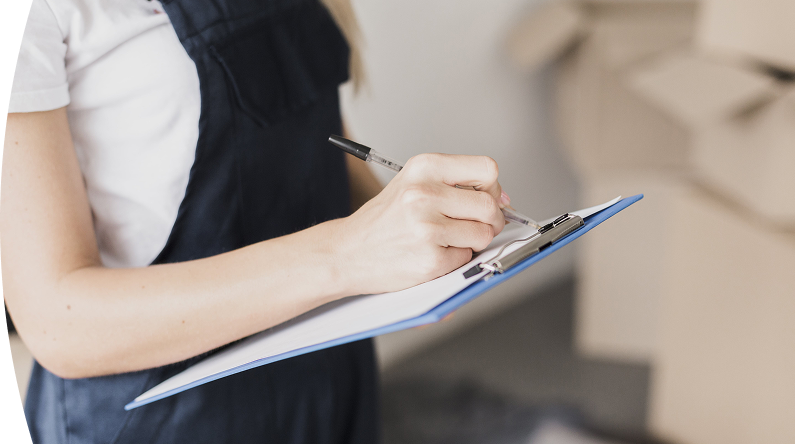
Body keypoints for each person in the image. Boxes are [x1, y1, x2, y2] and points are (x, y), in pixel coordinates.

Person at [1, 0, 510, 442]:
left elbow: (319, 141)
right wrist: (347, 253)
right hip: (166, 417)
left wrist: (427, 236)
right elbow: (56, 322)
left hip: (328, 381)